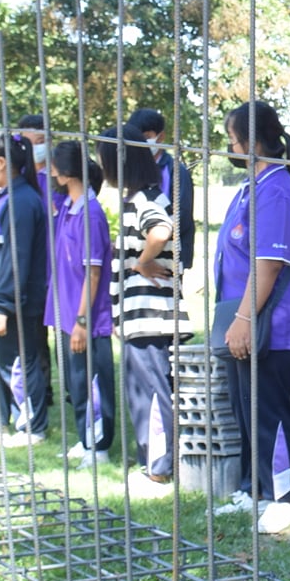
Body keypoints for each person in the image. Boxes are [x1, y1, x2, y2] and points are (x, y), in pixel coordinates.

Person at [214, 100, 290, 536]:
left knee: (268, 410)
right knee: (246, 409)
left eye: (232, 140)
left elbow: (268, 263)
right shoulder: (252, 185)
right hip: (243, 317)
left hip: (269, 322)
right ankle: (255, 487)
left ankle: (285, 498)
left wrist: (245, 318)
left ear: (251, 142)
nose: (229, 147)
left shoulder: (277, 189)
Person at [101, 122, 185, 500]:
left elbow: (161, 230)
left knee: (151, 392)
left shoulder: (145, 198)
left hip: (151, 313)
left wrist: (141, 262)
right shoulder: (137, 196)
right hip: (140, 314)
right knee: (142, 391)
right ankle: (152, 464)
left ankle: (159, 471)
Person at [0, 130, 51, 443]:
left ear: (1, 162)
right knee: (7, 363)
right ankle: (5, 419)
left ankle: (33, 426)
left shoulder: (21, 202)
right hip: (4, 300)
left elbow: (16, 258)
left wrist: (3, 305)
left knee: (20, 364)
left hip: (17, 304)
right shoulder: (8, 197)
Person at [48, 140, 114, 466]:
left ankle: (99, 447)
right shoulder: (68, 207)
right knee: (75, 381)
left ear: (68, 172)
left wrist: (82, 322)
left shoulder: (90, 214)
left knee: (92, 382)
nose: (50, 172)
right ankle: (85, 439)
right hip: (66, 315)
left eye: (54, 166)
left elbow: (94, 273)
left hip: (86, 318)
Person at [129, 108, 196, 271]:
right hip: (139, 252)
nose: (142, 142)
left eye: (147, 137)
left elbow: (182, 214)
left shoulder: (175, 171)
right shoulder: (135, 169)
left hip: (167, 254)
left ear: (161, 137)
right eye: (138, 138)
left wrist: (155, 244)